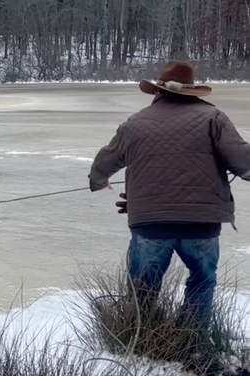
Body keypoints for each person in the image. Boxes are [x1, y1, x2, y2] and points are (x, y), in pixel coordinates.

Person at [88, 61, 250, 373]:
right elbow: (244, 162)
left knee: (143, 287)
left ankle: (138, 345)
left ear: (158, 91)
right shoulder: (212, 117)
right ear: (191, 91)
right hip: (201, 224)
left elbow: (104, 161)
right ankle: (191, 347)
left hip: (150, 223)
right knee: (202, 282)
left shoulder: (135, 123)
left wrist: (98, 181)